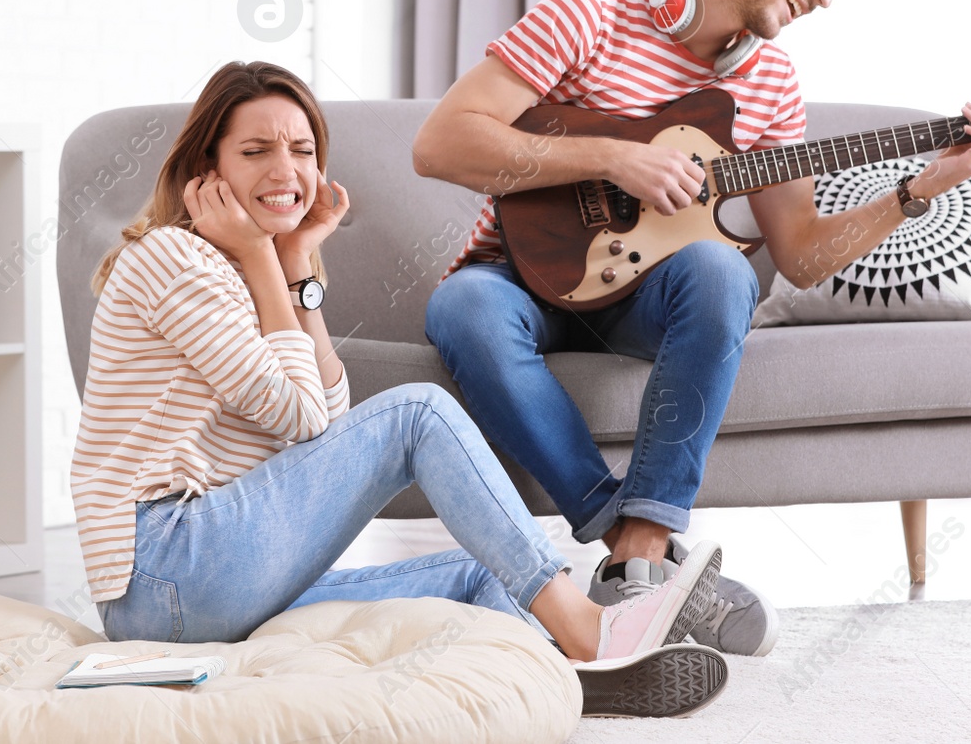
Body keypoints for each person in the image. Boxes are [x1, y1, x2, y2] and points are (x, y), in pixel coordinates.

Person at [415, 0, 971, 656]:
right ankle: (642, 559)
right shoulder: (595, 6)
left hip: (642, 299)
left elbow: (799, 255)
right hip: (519, 278)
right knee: (461, 307)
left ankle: (639, 552)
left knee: (723, 267)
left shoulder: (770, 83)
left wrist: (920, 190)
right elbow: (442, 141)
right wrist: (610, 159)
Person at [70, 61, 732, 718]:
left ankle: (566, 673)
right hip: (169, 568)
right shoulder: (175, 258)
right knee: (418, 413)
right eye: (255, 150)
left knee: (483, 576)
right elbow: (303, 418)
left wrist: (296, 265)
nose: (286, 170)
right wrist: (264, 259)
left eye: (302, 150)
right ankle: (592, 629)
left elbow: (327, 418)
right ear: (205, 172)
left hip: (211, 581)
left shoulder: (252, 269)